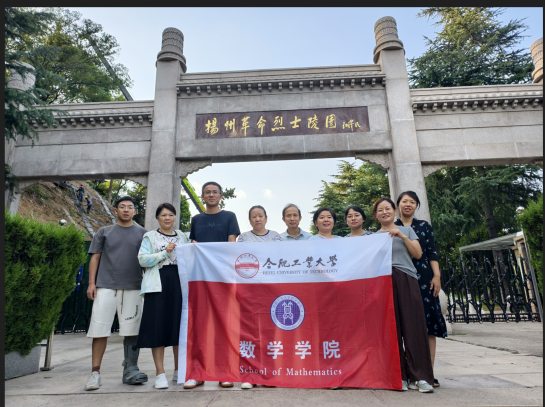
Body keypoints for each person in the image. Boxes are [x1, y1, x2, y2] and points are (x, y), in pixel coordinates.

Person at [84, 196, 148, 391]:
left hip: (134, 287)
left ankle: (130, 369)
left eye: (130, 207)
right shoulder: (104, 232)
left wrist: (148, 287)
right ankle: (95, 373)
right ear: (116, 210)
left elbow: (146, 262)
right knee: (99, 330)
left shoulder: (143, 234)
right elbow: (95, 258)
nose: (126, 210)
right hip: (106, 286)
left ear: (135, 211)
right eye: (122, 207)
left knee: (132, 331)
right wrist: (91, 283)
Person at [373, 197, 434, 393]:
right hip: (383, 282)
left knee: (414, 327)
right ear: (376, 215)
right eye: (380, 210)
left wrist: (402, 236)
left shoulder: (406, 230)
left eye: (387, 208)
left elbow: (418, 254)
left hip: (407, 279)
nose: (384, 212)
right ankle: (398, 376)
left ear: (394, 211)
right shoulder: (372, 238)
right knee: (391, 329)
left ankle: (421, 377)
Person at [185, 181, 241, 389]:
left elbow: (231, 247)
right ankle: (198, 372)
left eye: (214, 192)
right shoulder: (196, 219)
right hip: (200, 278)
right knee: (200, 325)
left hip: (223, 277)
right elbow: (193, 246)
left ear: (220, 196)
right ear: (202, 196)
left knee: (223, 325)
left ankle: (224, 372)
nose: (211, 195)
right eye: (207, 192)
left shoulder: (229, 217)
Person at [394, 191, 447, 388]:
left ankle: (428, 373)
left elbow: (431, 252)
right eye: (404, 201)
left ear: (417, 205)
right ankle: (406, 372)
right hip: (400, 277)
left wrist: (437, 276)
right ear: (398, 205)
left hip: (424, 278)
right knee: (404, 326)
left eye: (412, 202)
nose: (408, 204)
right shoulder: (392, 227)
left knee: (427, 325)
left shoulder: (424, 226)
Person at [137, 203, 188, 389]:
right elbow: (142, 259)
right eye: (164, 215)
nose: (168, 218)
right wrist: (164, 253)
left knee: (179, 327)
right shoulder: (150, 236)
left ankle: (179, 370)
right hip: (157, 284)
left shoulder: (183, 236)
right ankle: (160, 373)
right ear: (157, 218)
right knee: (157, 327)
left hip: (180, 284)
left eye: (171, 215)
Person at [236, 205, 280, 390]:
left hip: (270, 289)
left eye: (260, 216)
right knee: (249, 331)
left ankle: (268, 374)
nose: (257, 219)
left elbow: (279, 258)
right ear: (250, 220)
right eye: (254, 216)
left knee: (269, 333)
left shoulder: (275, 237)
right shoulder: (243, 238)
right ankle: (249, 374)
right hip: (249, 289)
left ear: (266, 218)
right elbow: (240, 259)